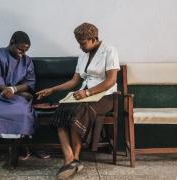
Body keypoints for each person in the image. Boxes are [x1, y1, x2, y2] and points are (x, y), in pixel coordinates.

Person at [36, 22, 120, 179]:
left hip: (104, 96)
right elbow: (75, 81)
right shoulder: (83, 56)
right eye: (79, 44)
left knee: (77, 111)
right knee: (62, 110)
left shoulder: (110, 51)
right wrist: (53, 89)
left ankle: (74, 159)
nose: (80, 47)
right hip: (84, 95)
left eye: (83, 43)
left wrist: (87, 92)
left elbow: (110, 80)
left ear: (93, 38)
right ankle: (71, 159)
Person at [0, 31, 37, 169]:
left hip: (18, 97)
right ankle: (17, 147)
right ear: (12, 42)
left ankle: (15, 152)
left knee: (23, 113)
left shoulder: (27, 60)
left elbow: (29, 83)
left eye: (25, 51)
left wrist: (13, 90)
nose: (22, 54)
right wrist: (7, 90)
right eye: (20, 50)